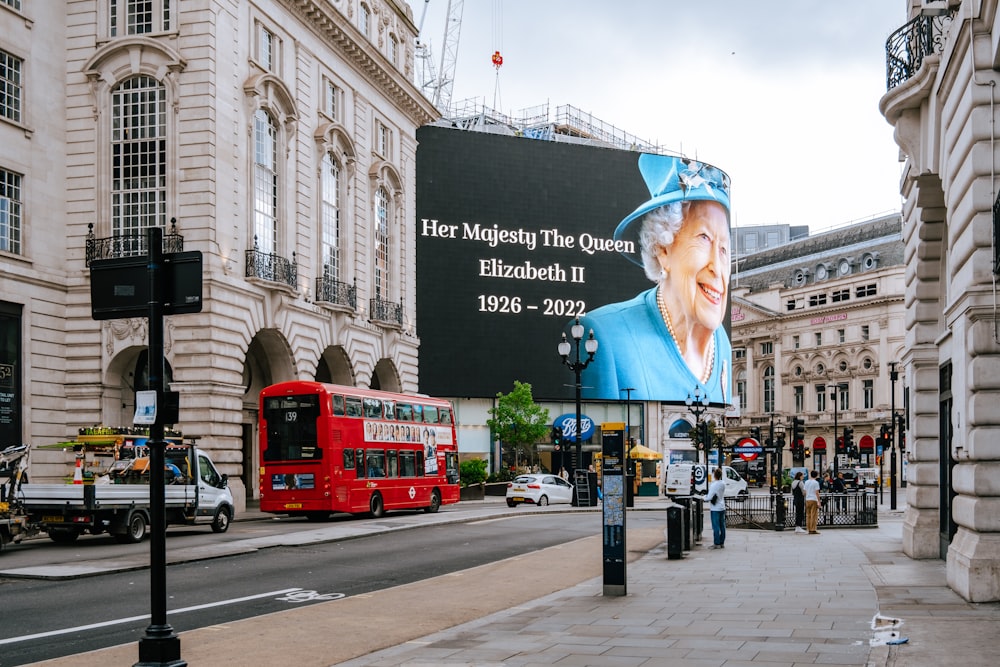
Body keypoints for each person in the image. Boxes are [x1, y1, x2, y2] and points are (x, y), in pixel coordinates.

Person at [577, 154, 732, 403]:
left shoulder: (723, 345)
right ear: (663, 249)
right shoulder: (602, 336)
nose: (717, 267)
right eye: (704, 238)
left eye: (724, 248)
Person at [707, 466, 726, 549]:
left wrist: (703, 497)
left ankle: (716, 543)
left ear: (714, 475)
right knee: (722, 525)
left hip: (715, 508)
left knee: (716, 526)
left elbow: (709, 497)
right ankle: (722, 542)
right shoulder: (723, 484)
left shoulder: (714, 485)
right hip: (722, 506)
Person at [805, 469, 822, 534]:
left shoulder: (806, 482)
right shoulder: (816, 483)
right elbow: (817, 492)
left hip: (807, 499)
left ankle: (808, 528)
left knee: (808, 515)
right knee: (814, 515)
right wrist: (819, 501)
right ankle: (813, 529)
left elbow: (805, 491)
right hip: (813, 499)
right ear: (816, 475)